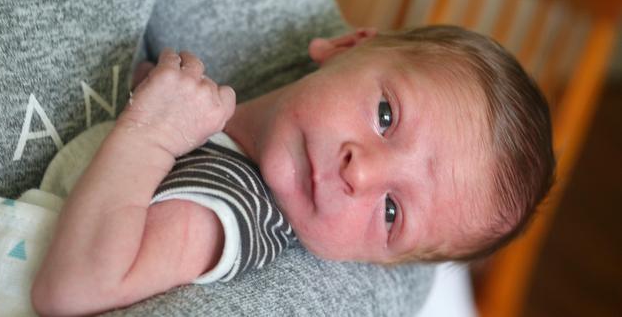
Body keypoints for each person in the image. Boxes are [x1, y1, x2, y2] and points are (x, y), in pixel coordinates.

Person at [27, 25, 555, 316]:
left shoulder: (230, 210)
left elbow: (72, 292)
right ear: (345, 45)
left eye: (391, 212)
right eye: (386, 116)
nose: (361, 174)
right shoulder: (214, 134)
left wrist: (151, 133)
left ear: (374, 263)